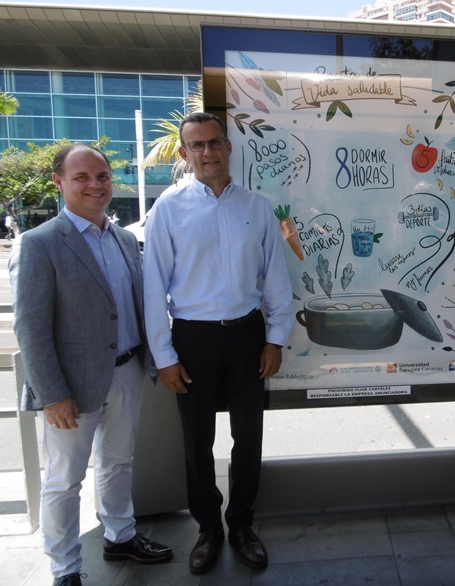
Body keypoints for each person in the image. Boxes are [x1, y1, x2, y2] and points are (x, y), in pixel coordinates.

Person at [9, 144, 173, 586]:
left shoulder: (123, 239)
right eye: (82, 177)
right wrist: (52, 394)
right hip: (71, 387)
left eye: (102, 176)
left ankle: (121, 535)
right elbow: (31, 327)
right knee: (64, 481)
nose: (95, 184)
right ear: (59, 183)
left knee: (119, 463)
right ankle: (64, 568)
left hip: (127, 372)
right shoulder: (38, 244)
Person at [143, 112, 294, 575]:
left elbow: (275, 278)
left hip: (248, 334)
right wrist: (164, 356)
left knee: (248, 437)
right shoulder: (168, 207)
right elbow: (153, 286)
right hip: (193, 337)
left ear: (228, 147)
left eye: (214, 143)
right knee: (196, 442)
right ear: (185, 154)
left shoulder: (257, 206)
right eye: (197, 146)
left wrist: (276, 338)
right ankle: (208, 528)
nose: (207, 152)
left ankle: (242, 525)